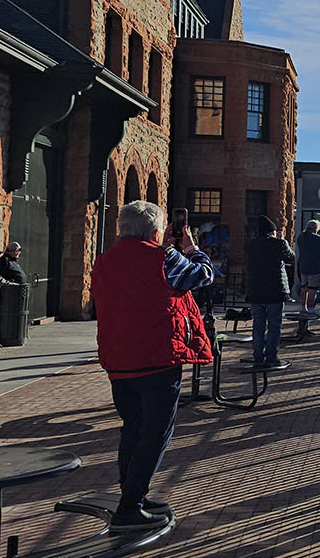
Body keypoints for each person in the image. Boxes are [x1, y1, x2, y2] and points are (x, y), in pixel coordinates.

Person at [91, 201, 214, 531]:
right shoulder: (163, 258)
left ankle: (132, 495)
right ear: (156, 231)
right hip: (158, 359)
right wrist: (190, 247)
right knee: (155, 433)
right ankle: (130, 506)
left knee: (132, 427)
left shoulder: (104, 261)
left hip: (119, 360)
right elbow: (203, 275)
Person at [243, 216, 295, 369]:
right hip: (275, 290)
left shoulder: (250, 245)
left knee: (258, 325)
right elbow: (291, 257)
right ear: (272, 231)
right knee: (274, 325)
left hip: (255, 291)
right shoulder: (279, 243)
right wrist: (283, 240)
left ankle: (258, 356)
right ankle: (271, 356)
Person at [295, 220, 320, 312]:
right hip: (316, 267)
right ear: (316, 229)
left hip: (303, 266)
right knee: (313, 289)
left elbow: (313, 239)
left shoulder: (301, 237)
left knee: (304, 287)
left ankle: (303, 307)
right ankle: (311, 308)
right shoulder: (316, 238)